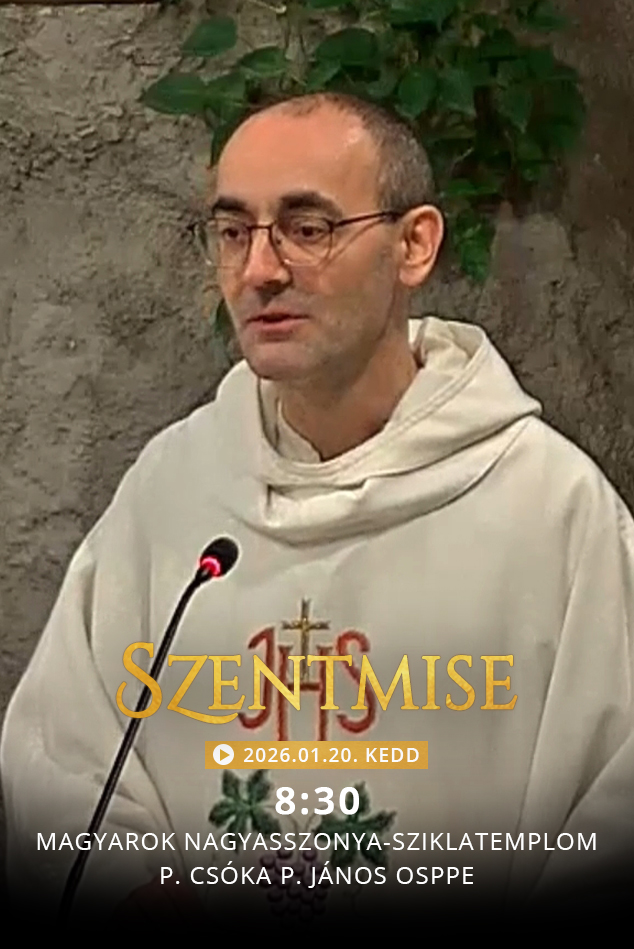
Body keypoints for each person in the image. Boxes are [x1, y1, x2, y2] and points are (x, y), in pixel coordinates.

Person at [1, 91, 634, 927]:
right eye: (234, 231)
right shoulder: (178, 485)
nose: (260, 269)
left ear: (414, 245)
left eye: (308, 227)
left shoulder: (551, 508)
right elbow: (61, 750)